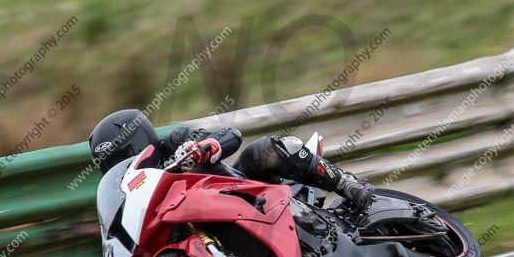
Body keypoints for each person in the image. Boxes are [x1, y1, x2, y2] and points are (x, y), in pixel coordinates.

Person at [89, 109, 374, 211]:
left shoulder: (175, 142)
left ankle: (347, 184)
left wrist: (204, 146)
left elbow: (230, 135)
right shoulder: (132, 197)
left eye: (119, 156)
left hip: (247, 191)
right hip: (206, 220)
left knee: (262, 151)